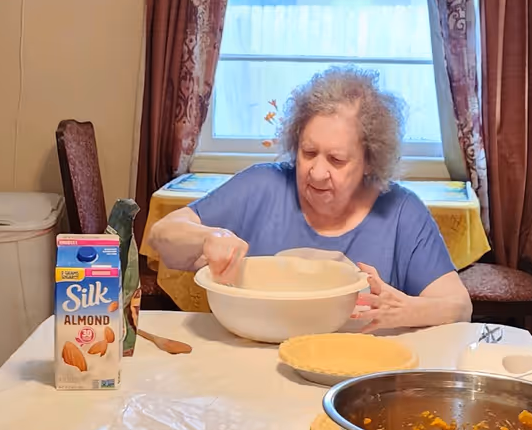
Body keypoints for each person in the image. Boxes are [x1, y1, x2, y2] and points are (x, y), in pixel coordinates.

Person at [146, 66, 471, 331]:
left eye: (337, 160)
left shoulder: (401, 212)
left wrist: (404, 309)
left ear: (370, 160)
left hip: (358, 380)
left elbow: (459, 307)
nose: (316, 172)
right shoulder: (261, 186)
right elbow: (163, 236)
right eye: (309, 152)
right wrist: (208, 237)